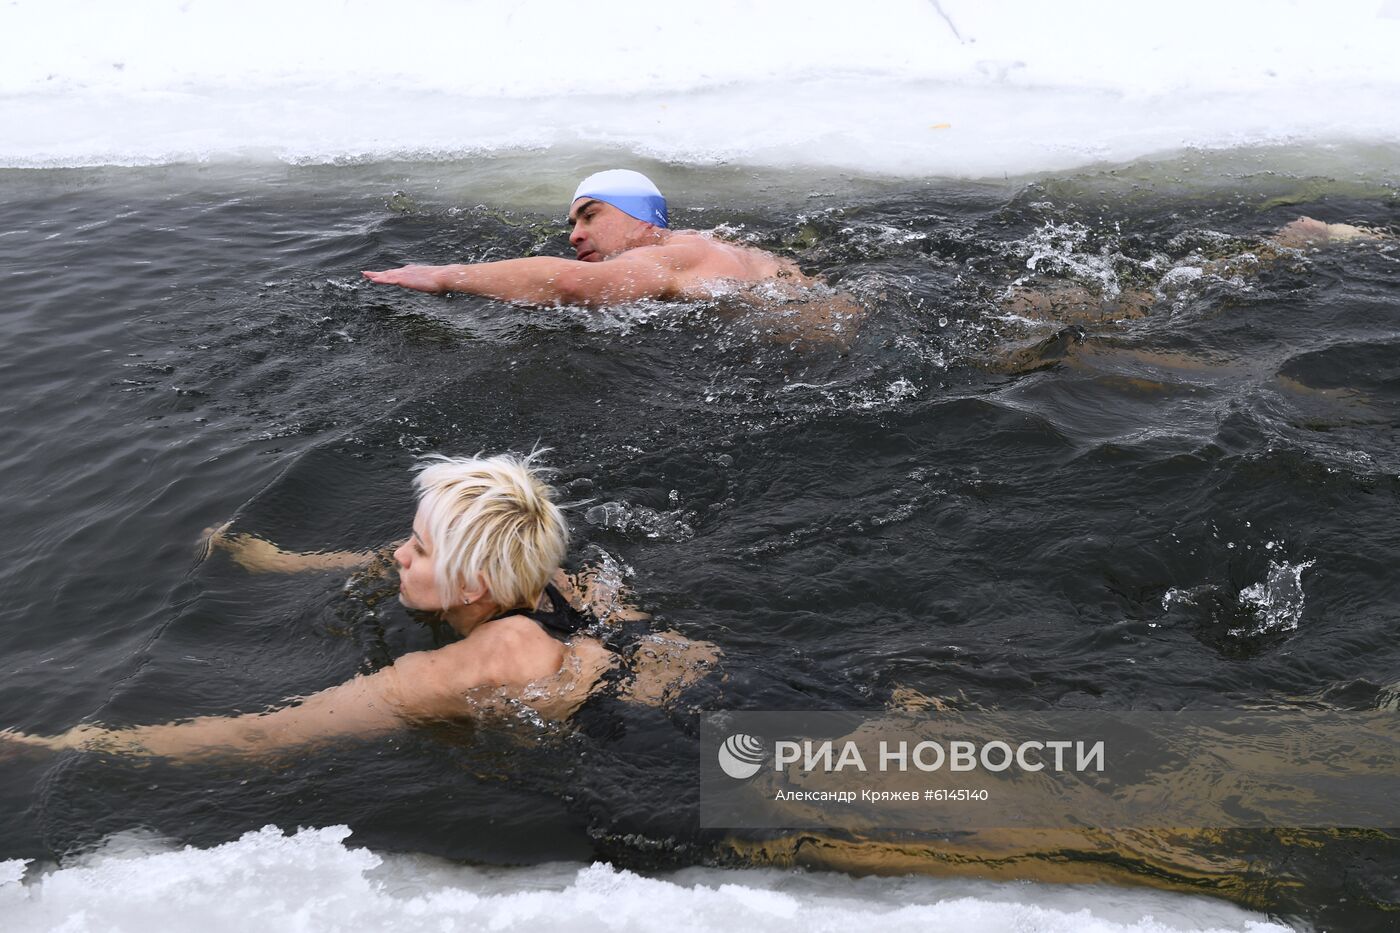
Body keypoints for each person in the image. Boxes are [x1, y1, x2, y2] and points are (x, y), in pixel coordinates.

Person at [1, 452, 716, 761]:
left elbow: (264, 737)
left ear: (471, 588)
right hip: (718, 688)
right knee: (833, 772)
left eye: (419, 548)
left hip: (676, 756)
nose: (400, 556)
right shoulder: (558, 580)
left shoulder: (468, 665)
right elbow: (392, 558)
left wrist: (71, 745)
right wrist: (278, 562)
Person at [362, 169, 834, 311]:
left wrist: (443, 276)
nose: (574, 235)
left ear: (642, 217)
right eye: (572, 223)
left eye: (590, 215)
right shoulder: (725, 246)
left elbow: (572, 284)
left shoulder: (677, 253)